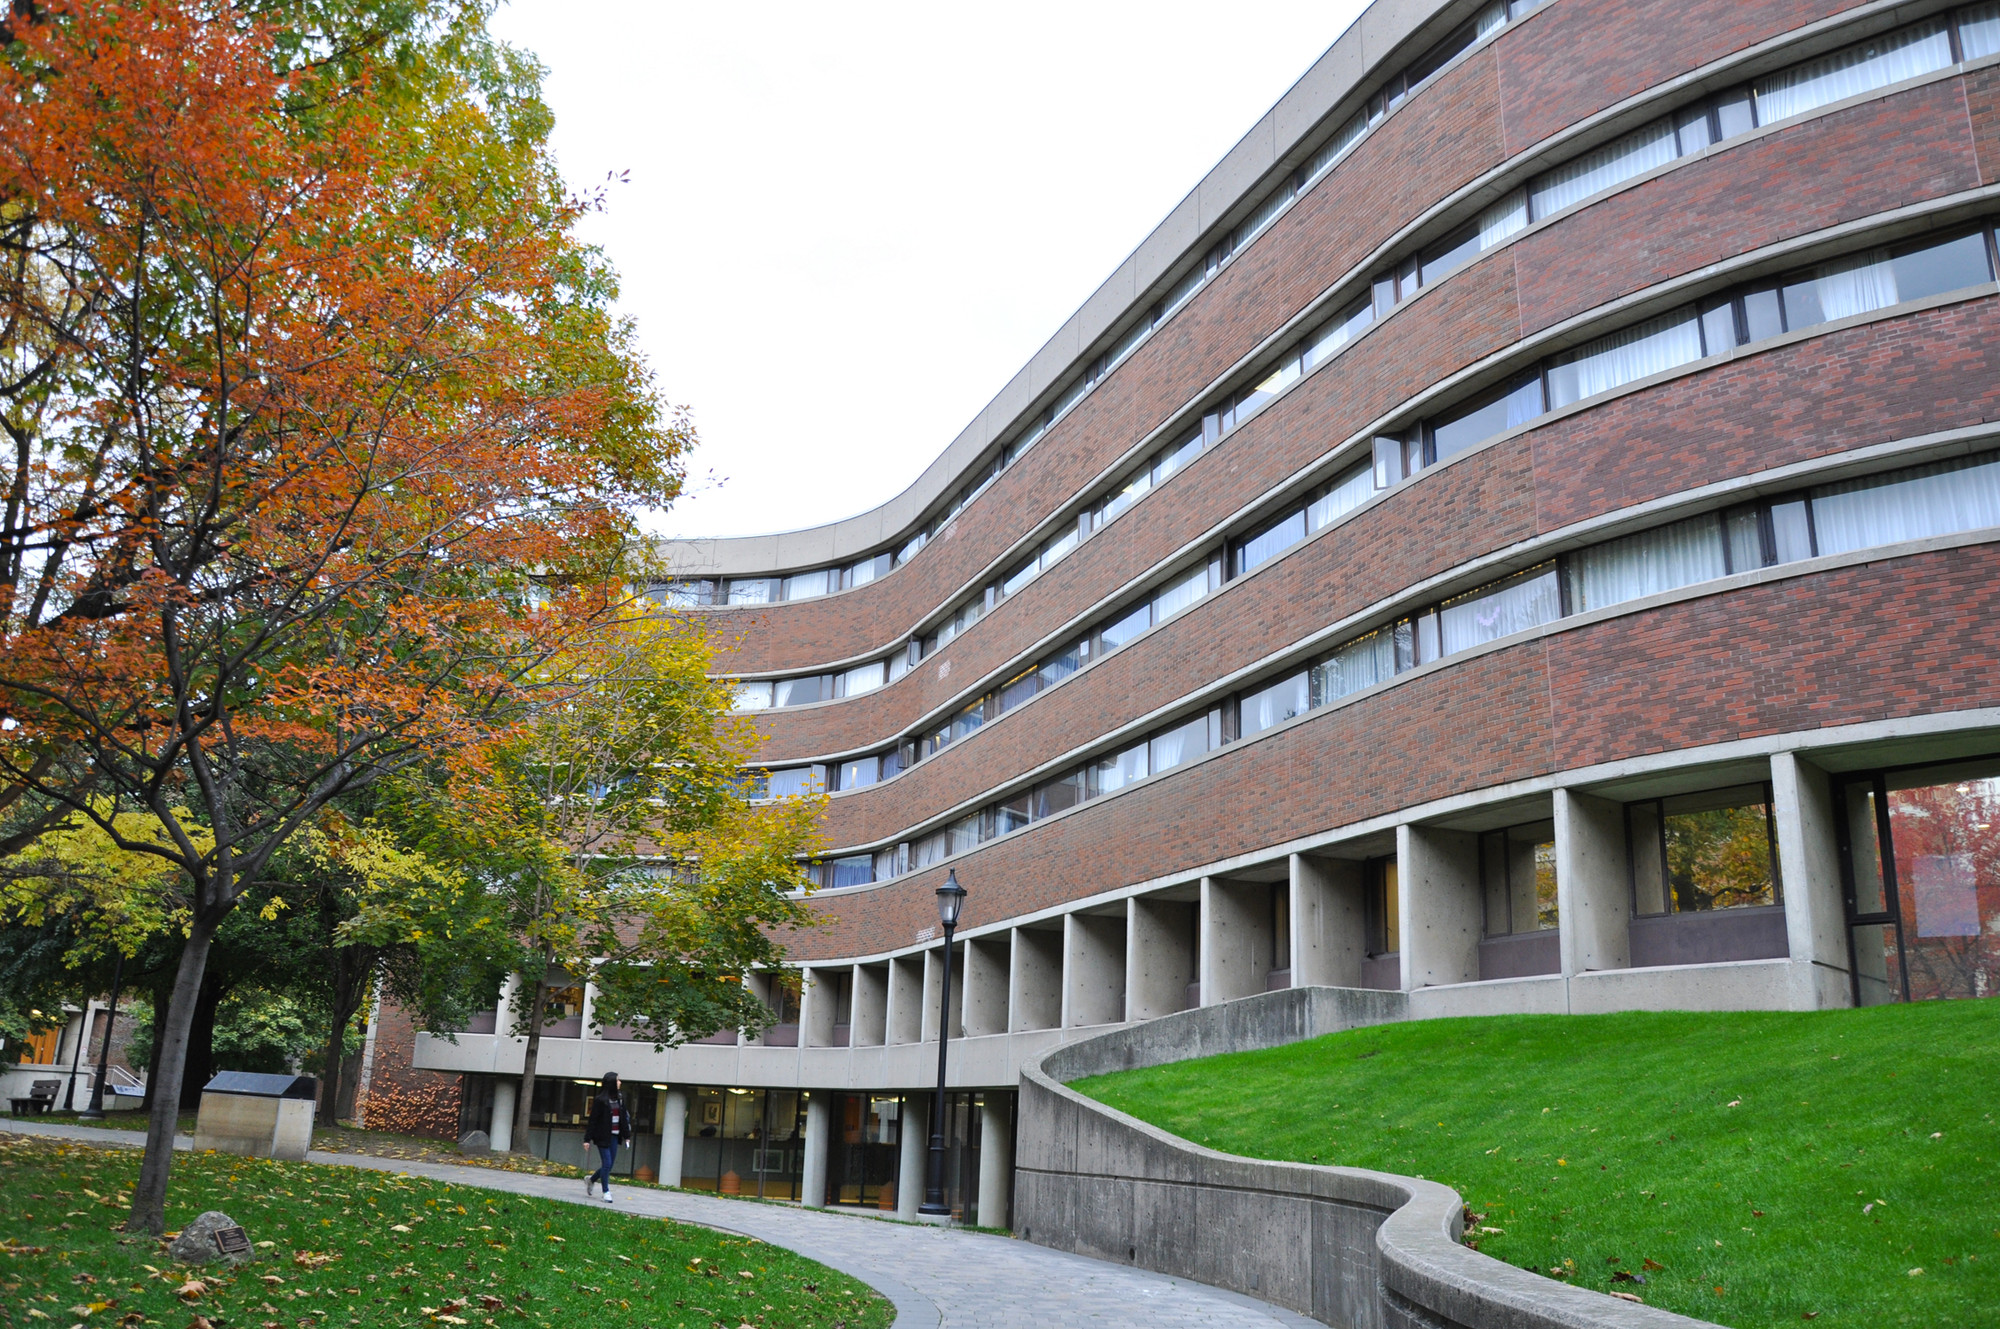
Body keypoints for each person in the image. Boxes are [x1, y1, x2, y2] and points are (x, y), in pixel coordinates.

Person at [583, 1071, 633, 1202]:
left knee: (608, 1166)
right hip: (602, 1137)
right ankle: (606, 1192)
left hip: (615, 1137)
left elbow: (623, 1118)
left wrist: (627, 1135)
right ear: (611, 1083)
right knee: (607, 1163)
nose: (620, 1082)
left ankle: (591, 1180)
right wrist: (587, 1139)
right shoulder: (601, 1100)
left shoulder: (620, 1098)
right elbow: (593, 1120)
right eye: (617, 1080)